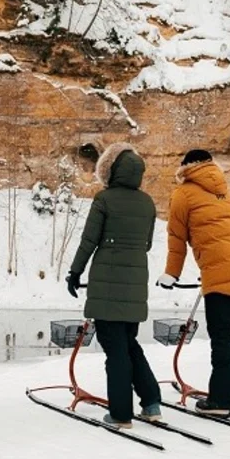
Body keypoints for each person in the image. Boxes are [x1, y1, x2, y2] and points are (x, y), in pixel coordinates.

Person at [157, 149, 230, 416]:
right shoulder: (223, 190)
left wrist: (171, 274)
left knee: (222, 340)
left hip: (221, 278)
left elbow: (176, 238)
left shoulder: (183, 194)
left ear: (185, 167)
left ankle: (220, 402)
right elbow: (223, 231)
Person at [67, 143, 162, 429]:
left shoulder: (104, 199)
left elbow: (89, 240)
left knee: (115, 349)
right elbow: (145, 244)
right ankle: (151, 403)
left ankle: (121, 413)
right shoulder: (147, 203)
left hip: (107, 288)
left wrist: (75, 272)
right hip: (135, 286)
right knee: (129, 344)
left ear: (109, 170)